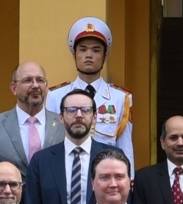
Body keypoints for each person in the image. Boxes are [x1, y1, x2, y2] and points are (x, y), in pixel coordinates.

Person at [45, 17, 134, 165]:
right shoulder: (55, 96)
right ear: (74, 55)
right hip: (67, 169)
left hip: (106, 174)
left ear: (104, 56)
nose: (89, 55)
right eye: (83, 49)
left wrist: (127, 183)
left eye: (96, 50)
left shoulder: (120, 98)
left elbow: (125, 147)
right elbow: (51, 143)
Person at [25, 89, 105, 204]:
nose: (79, 115)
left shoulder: (110, 157)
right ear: (61, 117)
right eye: (71, 110)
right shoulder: (41, 161)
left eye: (85, 110)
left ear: (94, 117)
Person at [0, 61, 65, 179]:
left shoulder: (63, 124)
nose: (35, 85)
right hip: (10, 195)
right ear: (14, 88)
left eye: (40, 80)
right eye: (27, 80)